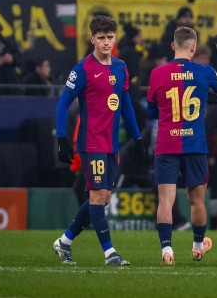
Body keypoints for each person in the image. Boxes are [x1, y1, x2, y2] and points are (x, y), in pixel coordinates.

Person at [52, 15, 144, 266]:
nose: (106, 42)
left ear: (115, 38)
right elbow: (63, 103)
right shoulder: (82, 69)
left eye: (110, 37)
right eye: (101, 38)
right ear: (92, 39)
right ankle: (110, 253)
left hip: (111, 143)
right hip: (90, 142)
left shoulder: (121, 67)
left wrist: (137, 137)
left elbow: (125, 104)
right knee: (98, 195)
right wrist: (62, 138)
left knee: (102, 198)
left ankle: (64, 242)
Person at [147, 28, 217, 264]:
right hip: (195, 144)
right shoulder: (205, 71)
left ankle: (167, 250)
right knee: (197, 200)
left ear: (173, 46)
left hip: (167, 143)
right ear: (193, 47)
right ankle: (197, 247)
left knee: (166, 200)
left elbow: (151, 109)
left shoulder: (157, 73)